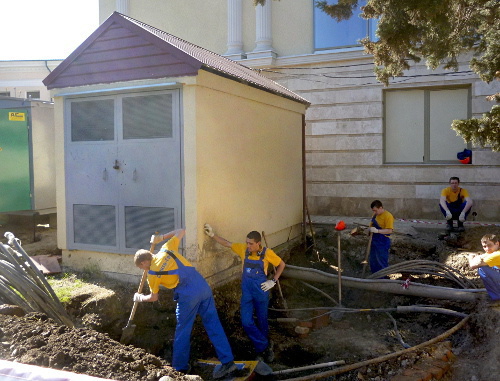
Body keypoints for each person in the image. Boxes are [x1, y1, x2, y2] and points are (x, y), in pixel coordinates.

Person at [133, 228, 237, 379]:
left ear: (144, 262)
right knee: (213, 324)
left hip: (188, 295)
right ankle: (228, 363)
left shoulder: (152, 274)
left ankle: (180, 368)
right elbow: (181, 230)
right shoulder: (166, 248)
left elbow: (154, 297)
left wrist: (140, 298)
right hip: (202, 285)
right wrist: (161, 237)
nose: (143, 269)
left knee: (183, 331)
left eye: (141, 267)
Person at [203, 224, 285, 362]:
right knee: (246, 322)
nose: (248, 246)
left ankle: (262, 351)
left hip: (261, 291)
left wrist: (273, 281)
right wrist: (212, 235)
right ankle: (265, 345)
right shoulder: (243, 249)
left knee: (262, 321)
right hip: (247, 292)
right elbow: (227, 243)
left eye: (251, 244)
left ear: (258, 243)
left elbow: (281, 264)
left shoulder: (267, 253)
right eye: (247, 243)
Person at [468, 234, 500, 301]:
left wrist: (470, 258)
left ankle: (497, 297)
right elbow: (481, 257)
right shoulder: (492, 253)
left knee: (483, 269)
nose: (487, 249)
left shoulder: (497, 254)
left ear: (497, 244)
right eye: (484, 246)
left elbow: (473, 265)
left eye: (489, 245)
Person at [368, 200, 394, 274]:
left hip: (383, 241)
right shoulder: (375, 215)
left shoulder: (388, 216)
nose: (374, 212)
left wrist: (378, 231)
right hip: (374, 240)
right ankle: (374, 277)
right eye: (373, 211)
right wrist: (369, 230)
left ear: (381, 208)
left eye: (376, 210)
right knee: (373, 260)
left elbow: (390, 231)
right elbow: (371, 225)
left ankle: (382, 278)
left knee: (381, 261)